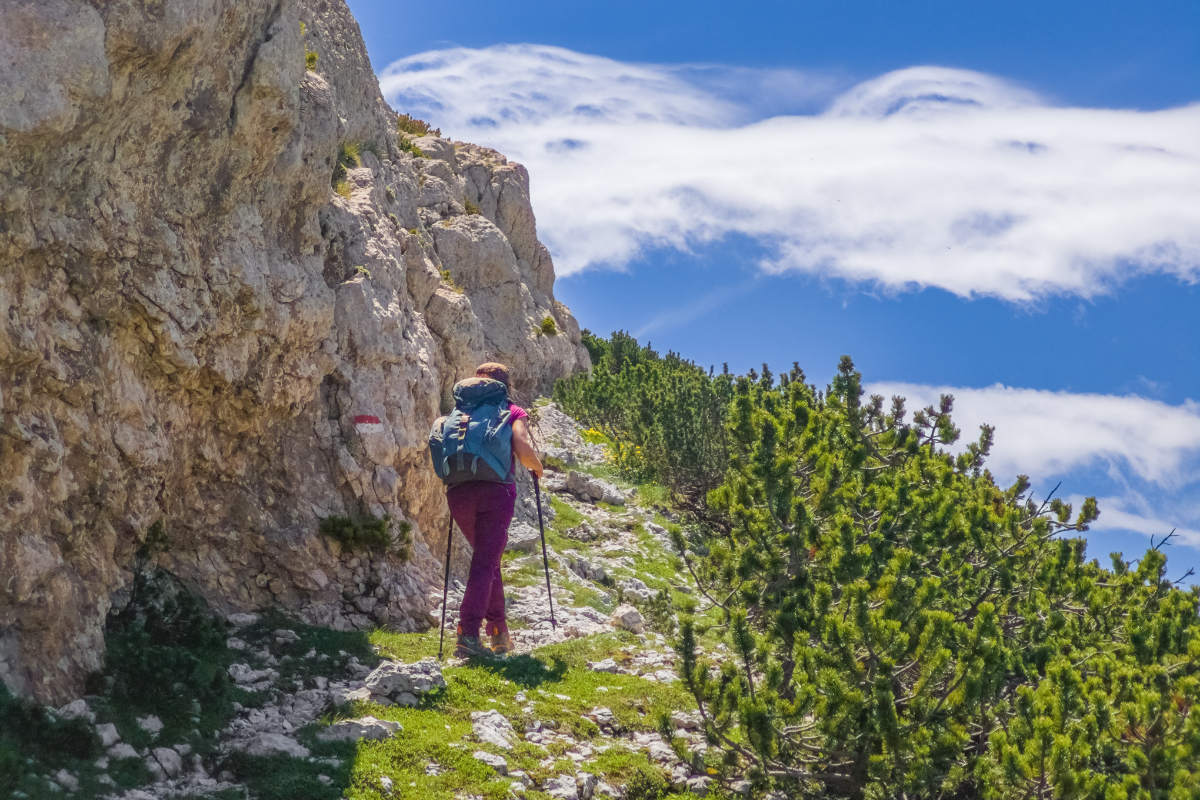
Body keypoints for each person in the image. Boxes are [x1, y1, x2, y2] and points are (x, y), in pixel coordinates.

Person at [447, 362, 543, 658]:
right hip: (495, 493)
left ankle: (499, 633)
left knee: (489, 561)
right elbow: (523, 448)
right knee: (485, 563)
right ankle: (468, 634)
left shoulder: (461, 411)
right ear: (505, 386)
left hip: (458, 491)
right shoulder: (512, 411)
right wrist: (538, 469)